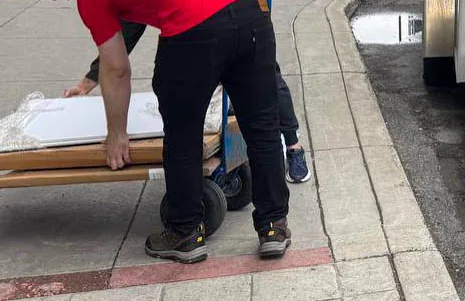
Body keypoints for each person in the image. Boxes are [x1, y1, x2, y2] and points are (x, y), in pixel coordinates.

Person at [31, 0, 292, 264]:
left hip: (192, 29)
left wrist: (117, 134)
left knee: (182, 133)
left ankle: (185, 232)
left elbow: (117, 68)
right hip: (252, 9)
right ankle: (273, 226)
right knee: (261, 126)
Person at [64, 24, 312, 184]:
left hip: (235, 6)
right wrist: (88, 82)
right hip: (196, 23)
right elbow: (126, 34)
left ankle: (293, 145)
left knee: (265, 76)